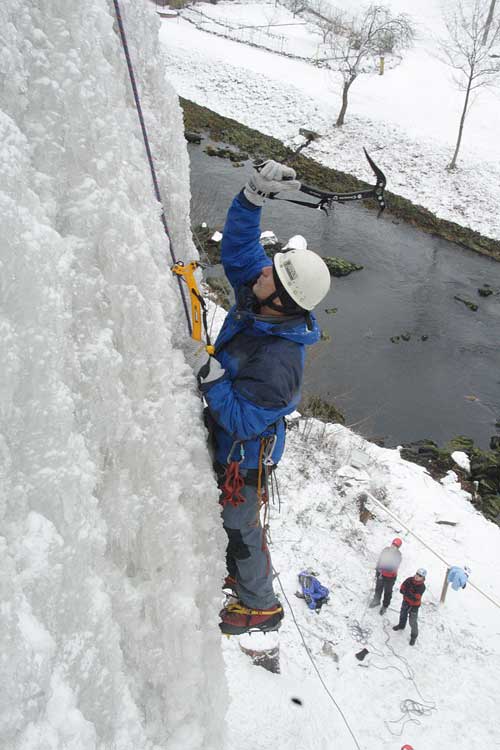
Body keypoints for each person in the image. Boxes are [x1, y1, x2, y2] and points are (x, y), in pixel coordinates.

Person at [193, 160, 331, 635]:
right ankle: (245, 580)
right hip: (236, 437)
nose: (258, 277)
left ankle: (260, 606)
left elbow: (246, 421)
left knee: (241, 527)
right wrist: (253, 196)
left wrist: (212, 380)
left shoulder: (280, 364)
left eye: (270, 279)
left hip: (244, 457)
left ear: (284, 305)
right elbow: (239, 250)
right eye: (270, 271)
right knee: (236, 527)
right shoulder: (264, 295)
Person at [393, 568, 427, 645]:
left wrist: (408, 593)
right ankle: (401, 626)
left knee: (412, 622)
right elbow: (402, 588)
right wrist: (408, 593)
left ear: (423, 577)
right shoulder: (409, 580)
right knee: (402, 615)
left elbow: (416, 597)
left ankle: (414, 636)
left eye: (420, 575)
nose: (417, 576)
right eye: (417, 574)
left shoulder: (422, 587)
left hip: (414, 606)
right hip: (405, 602)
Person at [369, 537, 403, 614]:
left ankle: (385, 606)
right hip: (381, 574)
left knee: (388, 592)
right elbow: (380, 560)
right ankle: (376, 600)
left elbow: (392, 567)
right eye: (393, 544)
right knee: (378, 588)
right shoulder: (385, 550)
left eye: (396, 546)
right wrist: (378, 569)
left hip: (390, 577)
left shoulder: (398, 556)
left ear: (398, 548)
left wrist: (382, 567)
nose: (393, 547)